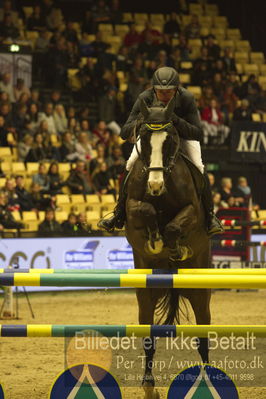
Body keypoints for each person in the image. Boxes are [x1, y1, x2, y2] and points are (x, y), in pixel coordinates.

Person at [98, 66, 224, 236]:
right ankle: (118, 214)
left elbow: (198, 133)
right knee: (129, 164)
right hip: (153, 139)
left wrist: (175, 120)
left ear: (176, 89)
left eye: (168, 92)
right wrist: (145, 119)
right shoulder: (145, 97)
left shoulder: (186, 97)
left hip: (182, 137)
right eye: (160, 91)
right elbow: (124, 132)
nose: (164, 96)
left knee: (199, 166)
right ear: (154, 89)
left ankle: (210, 217)